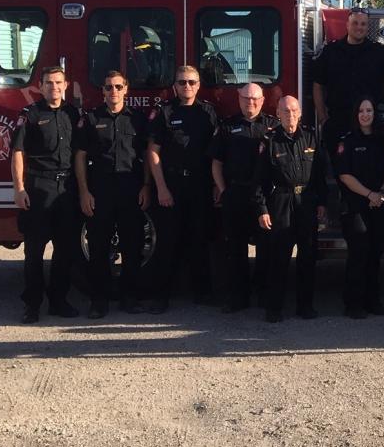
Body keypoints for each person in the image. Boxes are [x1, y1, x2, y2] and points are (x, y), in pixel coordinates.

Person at [74, 71, 151, 319]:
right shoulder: (92, 118)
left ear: (126, 89)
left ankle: (131, 298)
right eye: (108, 87)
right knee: (98, 247)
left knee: (133, 244)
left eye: (118, 87)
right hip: (101, 188)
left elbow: (148, 155)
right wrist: (84, 191)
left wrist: (147, 185)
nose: (113, 92)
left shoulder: (138, 120)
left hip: (131, 187)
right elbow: (81, 157)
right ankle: (99, 300)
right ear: (102, 91)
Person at [145, 66, 218, 313]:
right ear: (174, 86)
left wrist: (217, 186)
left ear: (199, 85)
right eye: (182, 82)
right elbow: (153, 153)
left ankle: (203, 292)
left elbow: (217, 152)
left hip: (200, 185)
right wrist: (162, 188)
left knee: (200, 238)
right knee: (166, 241)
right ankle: (160, 296)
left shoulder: (208, 112)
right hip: (172, 185)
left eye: (191, 82)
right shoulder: (164, 112)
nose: (187, 86)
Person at [11, 66, 81, 323]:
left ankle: (59, 301)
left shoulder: (73, 113)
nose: (54, 87)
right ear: (40, 86)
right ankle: (32, 304)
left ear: (66, 85)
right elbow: (18, 152)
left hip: (67, 188)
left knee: (65, 250)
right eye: (49, 83)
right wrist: (19, 188)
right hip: (39, 187)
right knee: (34, 252)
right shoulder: (30, 114)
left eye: (59, 82)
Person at [312, 8, 384, 163]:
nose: (359, 27)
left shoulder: (379, 52)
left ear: (368, 27)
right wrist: (322, 118)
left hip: (371, 127)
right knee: (340, 172)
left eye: (363, 24)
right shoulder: (331, 52)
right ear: (347, 25)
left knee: (371, 173)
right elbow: (317, 85)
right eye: (355, 23)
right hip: (338, 124)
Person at [257, 96, 329, 322]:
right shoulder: (269, 141)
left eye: (294, 110)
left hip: (306, 201)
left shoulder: (311, 137)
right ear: (278, 114)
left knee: (307, 256)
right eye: (285, 111)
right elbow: (259, 180)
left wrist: (322, 203)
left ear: (300, 113)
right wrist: (262, 209)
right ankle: (274, 308)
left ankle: (305, 306)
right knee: (279, 257)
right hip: (281, 201)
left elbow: (320, 175)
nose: (290, 115)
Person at [211, 83, 279, 313]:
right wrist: (223, 189)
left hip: (264, 197)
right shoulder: (227, 127)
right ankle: (238, 297)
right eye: (246, 98)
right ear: (238, 99)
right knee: (236, 249)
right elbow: (217, 163)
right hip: (236, 193)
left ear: (262, 100)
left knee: (266, 248)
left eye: (255, 99)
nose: (251, 103)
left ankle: (263, 293)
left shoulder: (273, 126)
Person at [335, 97, 384, 319]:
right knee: (358, 254)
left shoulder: (382, 141)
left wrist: (382, 194)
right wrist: (370, 194)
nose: (365, 114)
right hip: (356, 206)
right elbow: (345, 175)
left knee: (375, 254)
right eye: (361, 110)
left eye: (369, 110)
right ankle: (353, 304)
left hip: (380, 203)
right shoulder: (348, 141)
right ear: (355, 114)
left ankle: (373, 301)